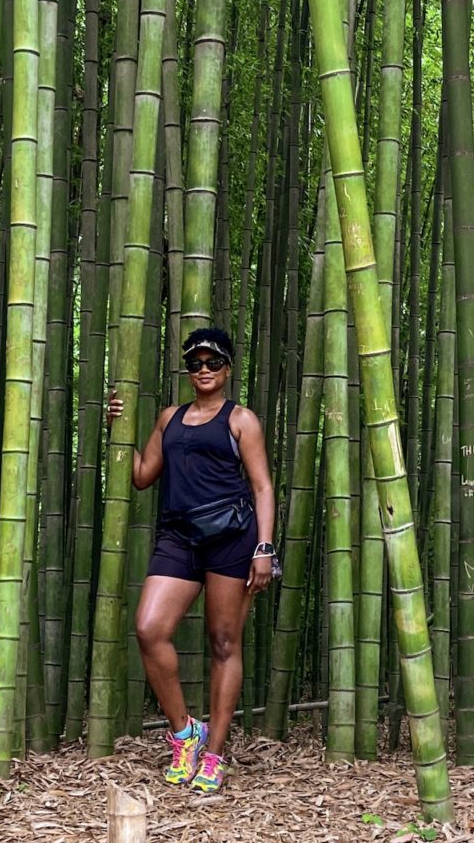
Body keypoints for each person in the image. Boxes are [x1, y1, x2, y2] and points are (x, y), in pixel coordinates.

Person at [107, 326, 276, 794]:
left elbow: (262, 486)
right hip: (178, 538)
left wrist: (265, 547)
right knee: (149, 628)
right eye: (195, 363)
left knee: (224, 643)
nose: (203, 370)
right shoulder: (169, 419)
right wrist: (117, 430)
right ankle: (185, 733)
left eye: (213, 362)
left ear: (227, 368)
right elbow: (142, 476)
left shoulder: (241, 420)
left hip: (232, 540)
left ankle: (215, 753)